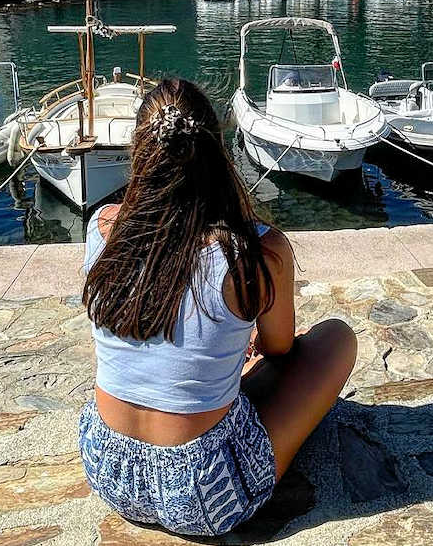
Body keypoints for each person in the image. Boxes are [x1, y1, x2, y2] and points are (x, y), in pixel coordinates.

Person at [79, 79, 356, 536]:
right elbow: (282, 347)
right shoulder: (252, 252)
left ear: (140, 153)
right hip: (206, 492)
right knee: (335, 340)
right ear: (216, 151)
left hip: (107, 466)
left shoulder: (103, 229)